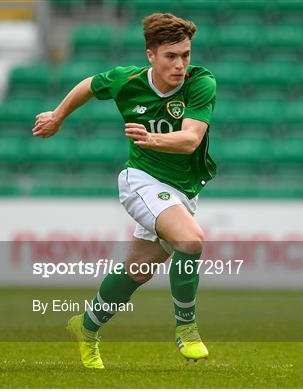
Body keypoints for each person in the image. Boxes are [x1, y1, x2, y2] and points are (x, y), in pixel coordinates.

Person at [32, 13, 216, 369]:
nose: (180, 65)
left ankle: (86, 328)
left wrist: (153, 138)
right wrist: (57, 116)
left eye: (186, 55)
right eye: (171, 56)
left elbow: (191, 140)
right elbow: (89, 84)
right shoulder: (127, 79)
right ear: (151, 54)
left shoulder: (201, 82)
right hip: (140, 180)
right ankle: (186, 329)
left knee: (139, 269)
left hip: (182, 190)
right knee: (191, 241)